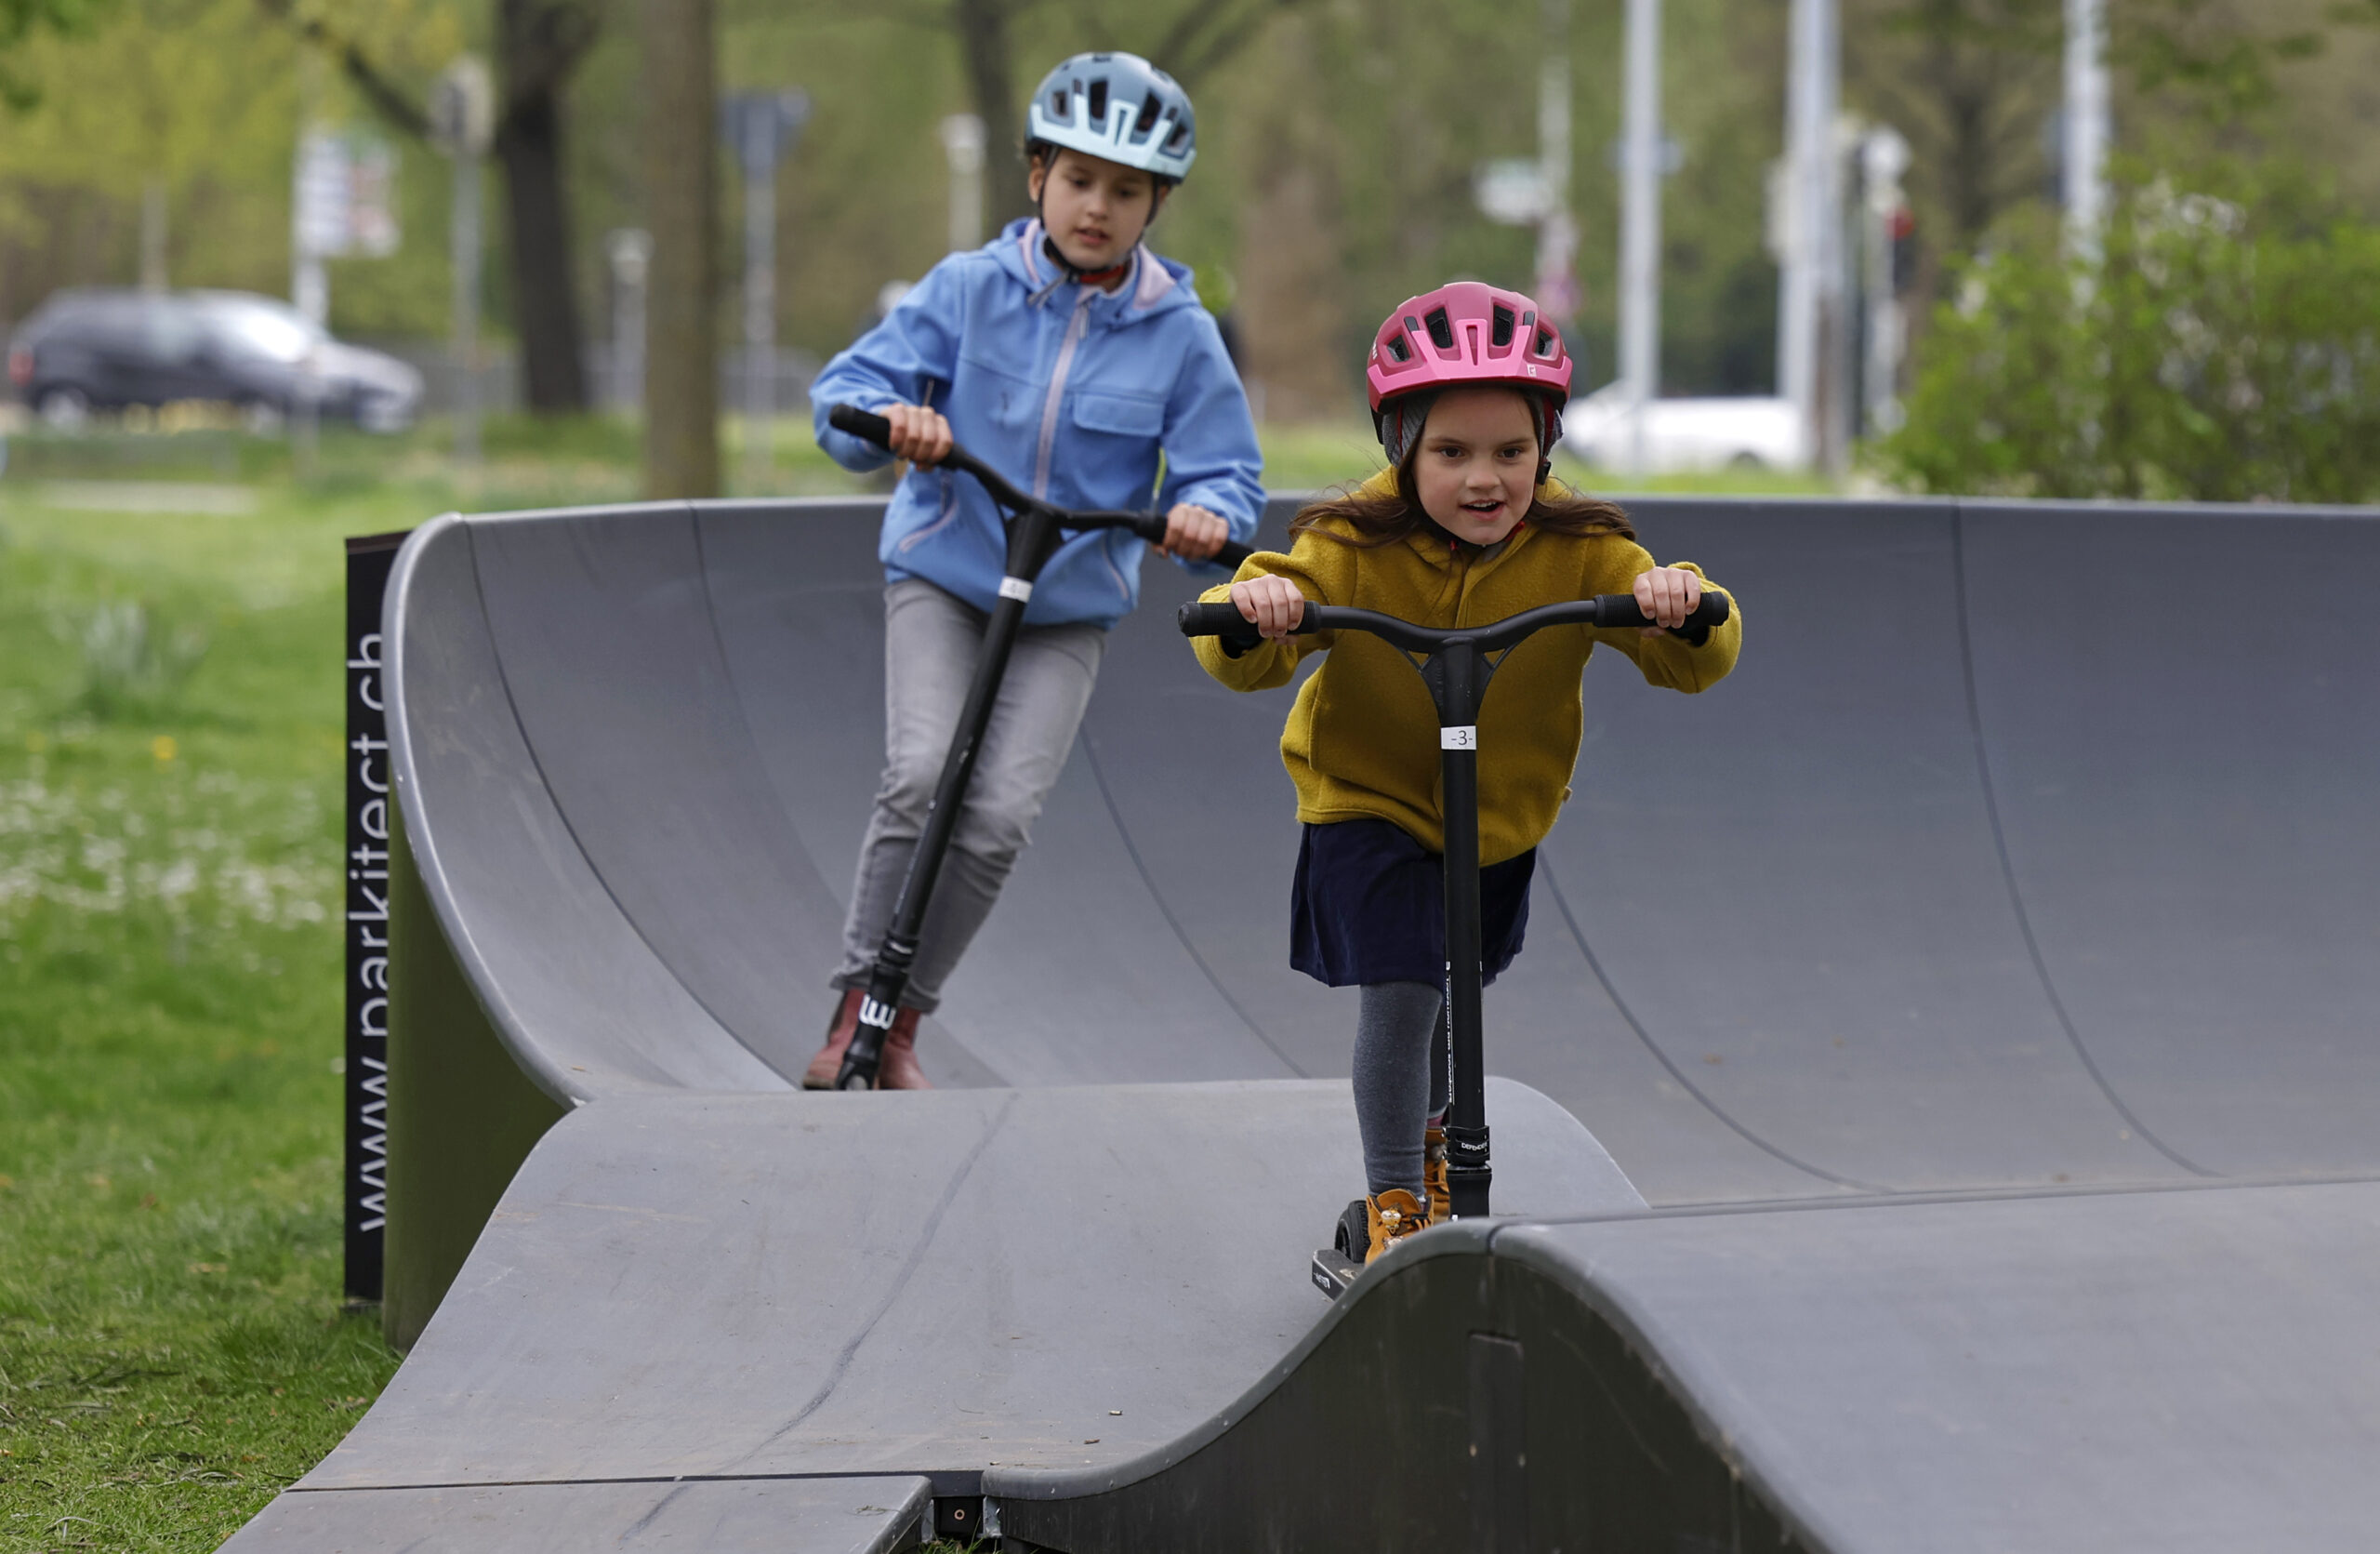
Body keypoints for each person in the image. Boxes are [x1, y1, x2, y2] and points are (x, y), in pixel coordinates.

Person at [1190, 281, 1740, 1261]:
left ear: (1546, 449)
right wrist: (1258, 609)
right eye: (1450, 453)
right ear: (1401, 447)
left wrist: (1681, 600)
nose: (1483, 479)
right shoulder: (1351, 538)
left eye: (1510, 453)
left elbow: (1690, 659)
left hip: (1493, 818)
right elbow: (1255, 640)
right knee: (1403, 987)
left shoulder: (1582, 544)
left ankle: (1438, 1162)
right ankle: (1396, 1204)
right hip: (1370, 800)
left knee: (1452, 989)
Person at [806, 50, 1263, 1089]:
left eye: (1126, 191)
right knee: (921, 775)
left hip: (1065, 606)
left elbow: (1227, 471)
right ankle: (851, 1011)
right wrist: (896, 422)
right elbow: (846, 394)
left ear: (1157, 205)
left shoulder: (1182, 337)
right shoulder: (967, 291)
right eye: (1077, 180)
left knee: (1002, 812)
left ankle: (905, 1021)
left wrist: (1203, 517)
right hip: (945, 572)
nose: (1096, 207)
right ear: (1035, 180)